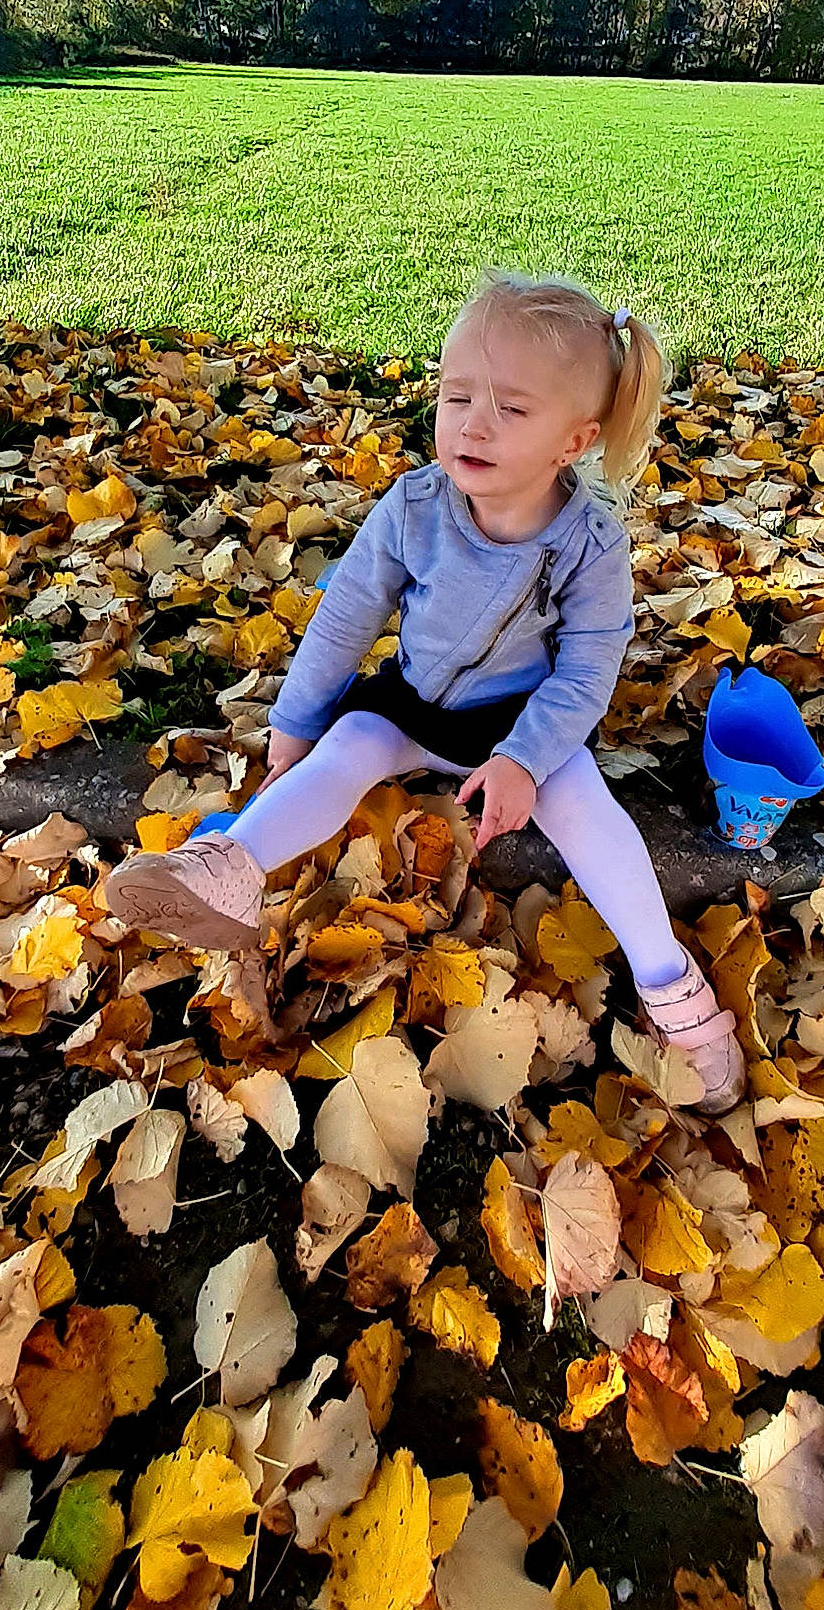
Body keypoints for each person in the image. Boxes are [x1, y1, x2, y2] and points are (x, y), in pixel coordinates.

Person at [107, 273, 745, 1115]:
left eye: (511, 410)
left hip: (522, 723)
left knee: (592, 818)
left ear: (576, 440)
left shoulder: (588, 543)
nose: (471, 425)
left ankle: (667, 980)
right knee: (342, 754)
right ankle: (226, 867)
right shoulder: (413, 506)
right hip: (409, 702)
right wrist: (294, 727)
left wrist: (522, 759)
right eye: (455, 396)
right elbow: (344, 621)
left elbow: (587, 671)